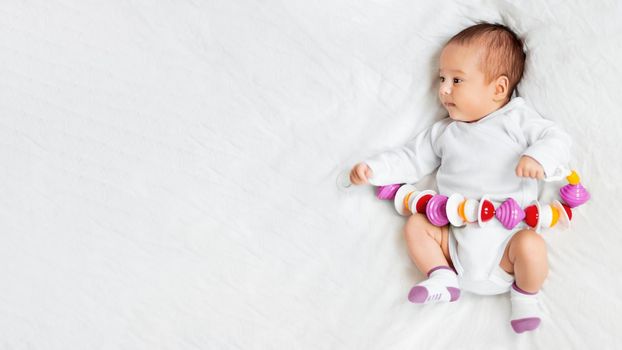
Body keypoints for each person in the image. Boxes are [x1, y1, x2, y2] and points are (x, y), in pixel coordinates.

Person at [348, 23, 571, 333]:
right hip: (455, 243)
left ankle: (525, 296)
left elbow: (556, 138)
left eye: (456, 80)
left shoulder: (516, 119)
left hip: (506, 244)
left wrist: (539, 157)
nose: (443, 89)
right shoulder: (444, 133)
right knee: (418, 224)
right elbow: (411, 158)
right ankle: (440, 276)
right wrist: (375, 169)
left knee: (531, 246)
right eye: (441, 79)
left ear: (498, 88)